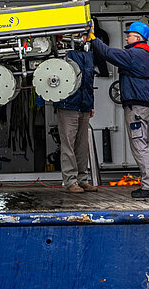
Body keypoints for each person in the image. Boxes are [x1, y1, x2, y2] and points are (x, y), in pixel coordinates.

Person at [88, 22, 149, 198]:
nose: (126, 38)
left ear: (137, 38)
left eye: (129, 35)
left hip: (136, 107)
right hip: (148, 107)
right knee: (144, 145)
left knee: (139, 145)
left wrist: (93, 38)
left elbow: (107, 53)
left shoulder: (134, 54)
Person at [54, 40, 96, 193]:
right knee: (69, 145)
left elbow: (89, 82)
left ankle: (82, 179)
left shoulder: (88, 54)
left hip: (84, 105)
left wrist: (91, 105)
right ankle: (70, 181)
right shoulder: (63, 53)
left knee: (82, 146)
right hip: (67, 105)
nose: (83, 37)